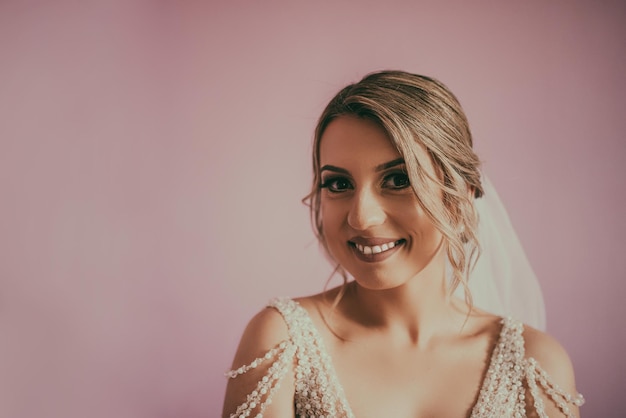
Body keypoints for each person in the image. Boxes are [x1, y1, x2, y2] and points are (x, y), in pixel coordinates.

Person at [221, 70, 584, 417]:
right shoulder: (282, 343)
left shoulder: (535, 364)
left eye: (397, 179)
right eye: (339, 184)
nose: (361, 218)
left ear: (461, 195)